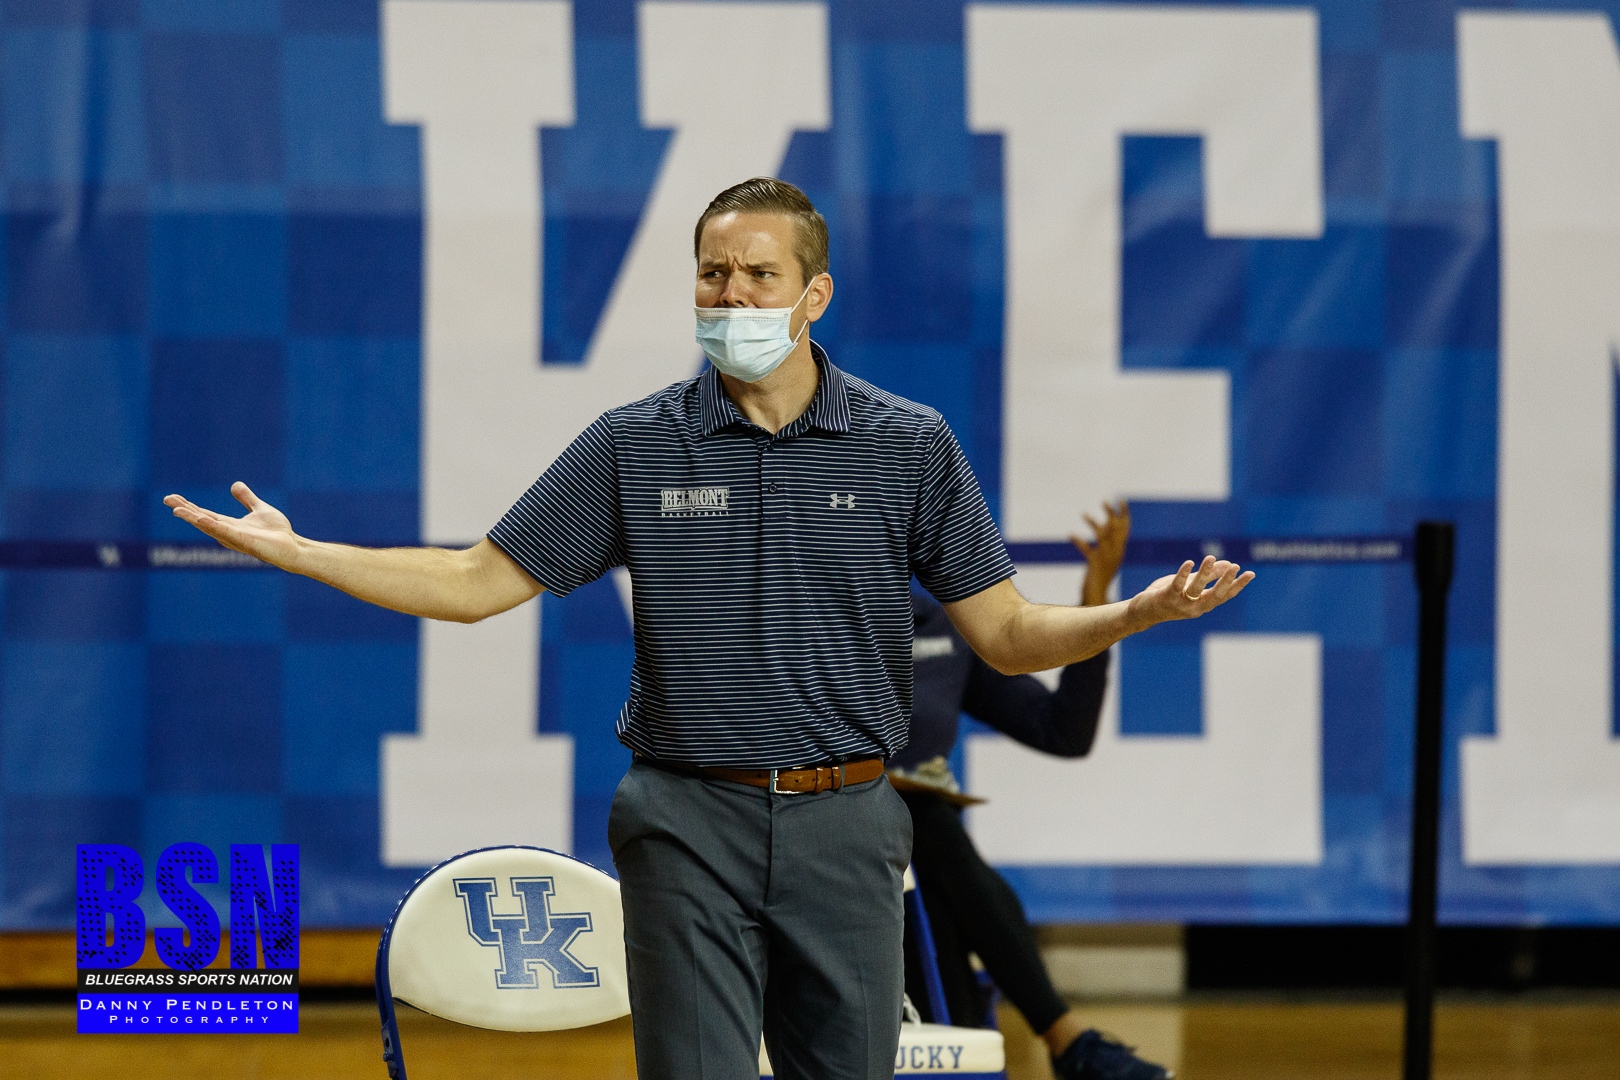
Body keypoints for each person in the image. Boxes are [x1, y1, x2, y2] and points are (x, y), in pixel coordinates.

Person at [164, 177, 1253, 1080]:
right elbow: (473, 580)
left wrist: (1135, 611)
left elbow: (1006, 634)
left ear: (814, 294)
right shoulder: (632, 443)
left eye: (758, 275)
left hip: (851, 823)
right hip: (685, 821)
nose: (730, 293)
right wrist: (302, 551)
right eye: (711, 273)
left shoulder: (910, 444)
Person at [894, 501, 1172, 1080]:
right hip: (828, 826)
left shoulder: (947, 627)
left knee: (940, 901)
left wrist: (1094, 598)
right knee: (925, 823)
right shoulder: (818, 630)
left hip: (922, 864)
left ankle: (1048, 1044)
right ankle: (1068, 1041)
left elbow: (1062, 731)